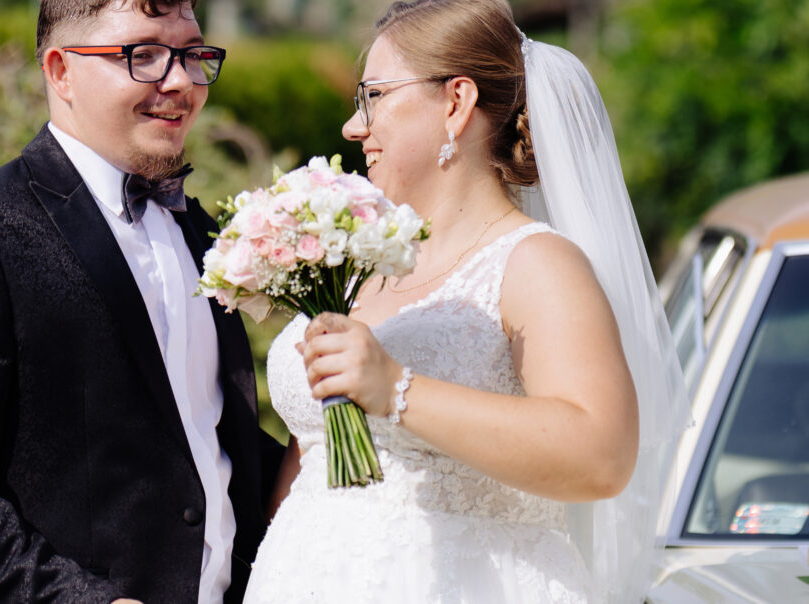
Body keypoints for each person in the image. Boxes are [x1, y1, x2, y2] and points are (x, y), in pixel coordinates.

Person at [244, 0, 688, 602]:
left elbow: (601, 455)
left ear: (456, 102)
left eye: (374, 96)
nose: (352, 126)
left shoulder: (536, 264)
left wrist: (397, 388)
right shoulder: (351, 263)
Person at [0, 1, 278, 602]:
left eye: (193, 54)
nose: (180, 81)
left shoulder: (196, 228)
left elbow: (202, 436)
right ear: (60, 70)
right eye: (144, 55)